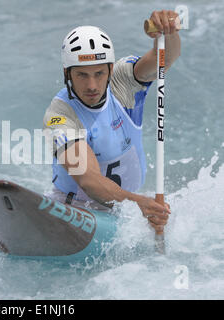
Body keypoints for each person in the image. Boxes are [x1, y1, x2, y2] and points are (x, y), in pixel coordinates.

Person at [43, 10, 181, 234]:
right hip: (76, 211)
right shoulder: (60, 114)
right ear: (67, 74)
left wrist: (168, 32)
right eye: (82, 75)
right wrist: (139, 203)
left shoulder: (122, 82)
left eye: (99, 73)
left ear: (110, 69)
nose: (92, 86)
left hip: (127, 210)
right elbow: (89, 180)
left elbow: (163, 60)